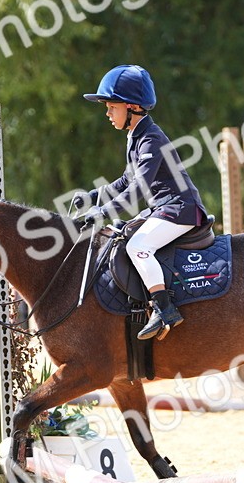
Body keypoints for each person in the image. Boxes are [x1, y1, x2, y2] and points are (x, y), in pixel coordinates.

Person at [74, 64, 208, 340]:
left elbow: (138, 188)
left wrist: (104, 211)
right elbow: (126, 181)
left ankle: (165, 309)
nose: (108, 114)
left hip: (180, 209)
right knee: (120, 235)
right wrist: (93, 196)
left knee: (138, 246)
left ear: (132, 107)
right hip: (163, 208)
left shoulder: (151, 139)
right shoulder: (136, 137)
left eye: (112, 107)